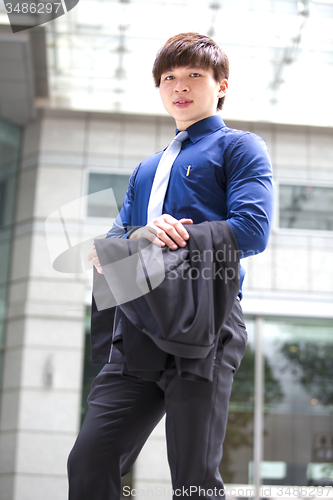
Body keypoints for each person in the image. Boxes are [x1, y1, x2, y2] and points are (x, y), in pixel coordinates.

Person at [67, 32, 274, 499]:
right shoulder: (146, 169)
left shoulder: (239, 147)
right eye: (168, 78)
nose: (179, 86)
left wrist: (173, 238)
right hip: (138, 321)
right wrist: (140, 236)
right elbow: (117, 239)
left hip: (206, 319)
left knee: (194, 480)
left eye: (194, 75)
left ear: (221, 85)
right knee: (88, 461)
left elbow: (252, 230)